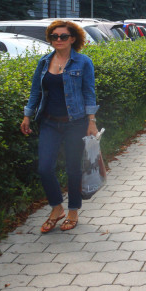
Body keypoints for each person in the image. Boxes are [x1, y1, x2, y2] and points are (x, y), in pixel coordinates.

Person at [20, 20, 99, 233]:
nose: (58, 40)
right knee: (44, 168)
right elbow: (35, 91)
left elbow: (89, 93)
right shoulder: (44, 62)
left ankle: (73, 211)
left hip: (75, 123)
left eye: (63, 36)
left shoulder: (83, 63)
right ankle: (56, 209)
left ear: (72, 38)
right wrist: (27, 116)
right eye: (54, 36)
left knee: (73, 169)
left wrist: (91, 122)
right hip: (49, 123)